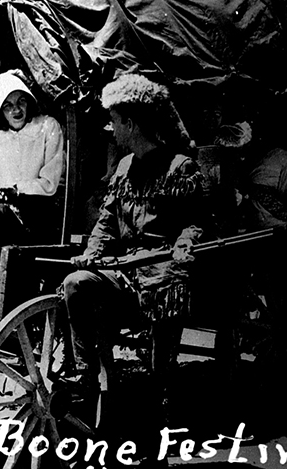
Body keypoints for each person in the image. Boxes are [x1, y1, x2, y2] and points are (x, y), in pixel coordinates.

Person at [60, 74, 219, 436]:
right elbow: (106, 222)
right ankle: (85, 375)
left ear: (131, 123)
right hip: (128, 274)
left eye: (114, 120)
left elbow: (197, 222)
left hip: (164, 277)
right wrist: (91, 254)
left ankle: (157, 429)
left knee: (158, 362)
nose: (110, 128)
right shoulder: (124, 168)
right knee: (75, 284)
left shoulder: (180, 168)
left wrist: (184, 244)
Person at [0, 69, 65, 285]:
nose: (16, 110)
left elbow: (50, 182)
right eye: (8, 105)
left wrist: (17, 191)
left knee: (0, 215)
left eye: (21, 102)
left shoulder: (47, 127)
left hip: (35, 208)